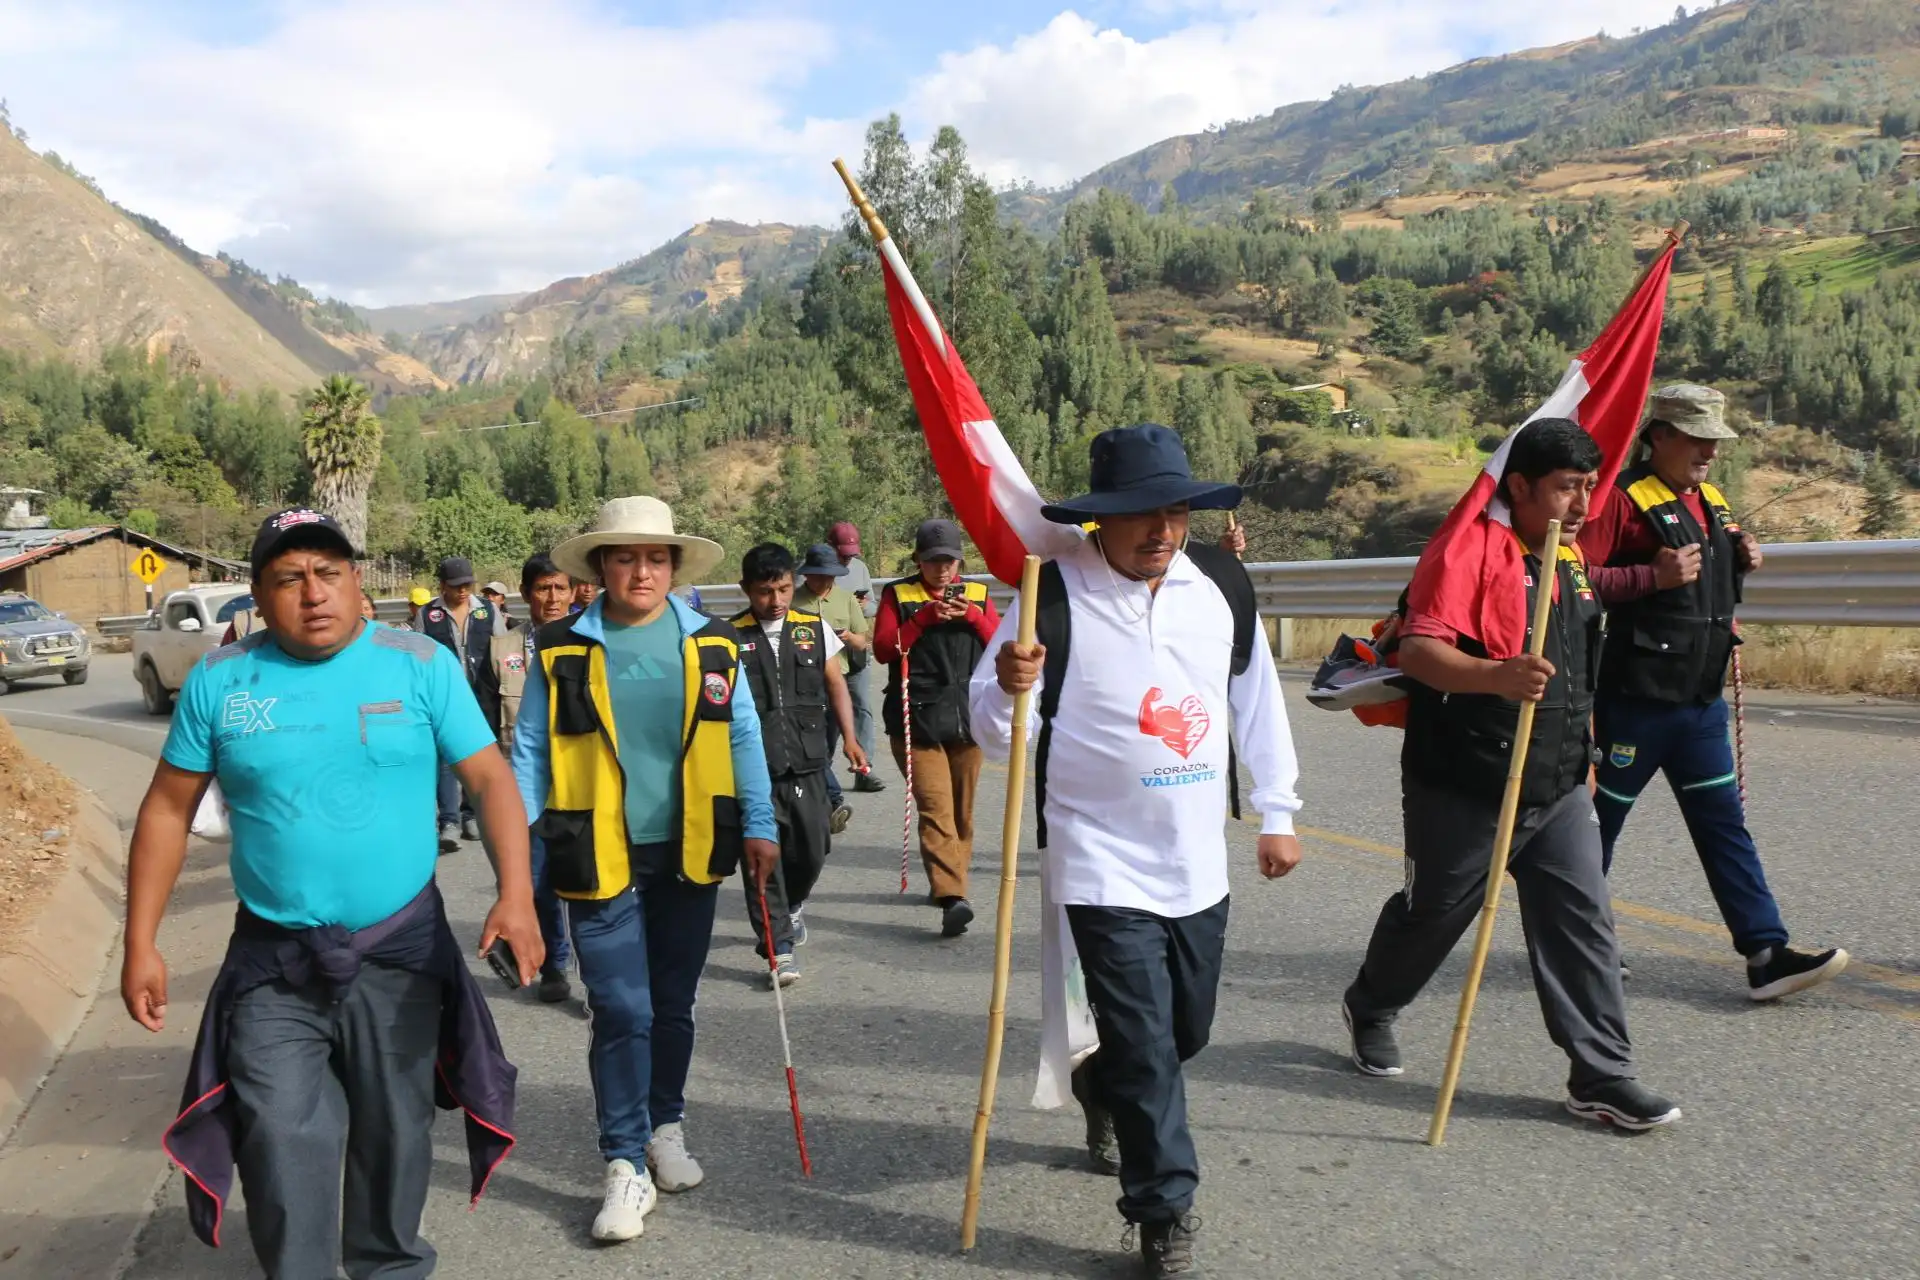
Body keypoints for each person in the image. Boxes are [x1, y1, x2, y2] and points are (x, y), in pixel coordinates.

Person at [123, 507, 542, 1279]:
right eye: (289, 578)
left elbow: (487, 778)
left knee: (396, 1132)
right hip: (274, 961)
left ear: (356, 582)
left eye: (329, 572)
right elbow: (166, 809)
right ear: (258, 593)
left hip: (401, 951)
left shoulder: (417, 663)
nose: (313, 592)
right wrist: (140, 942)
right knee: (281, 1136)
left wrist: (516, 894)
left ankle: (388, 1267)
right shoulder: (222, 681)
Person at [971, 423, 1304, 1278]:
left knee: (1184, 1030)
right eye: (1140, 515)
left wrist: (1277, 809)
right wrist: (1012, 688)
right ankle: (1164, 1212)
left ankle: (1102, 1085)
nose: (1161, 529)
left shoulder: (1219, 584)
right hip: (1098, 859)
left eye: (1175, 511)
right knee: (1150, 1040)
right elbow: (997, 734)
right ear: (1098, 521)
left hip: (1196, 860)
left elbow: (1256, 699)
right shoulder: (1050, 594)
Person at [1341, 418, 1681, 1131]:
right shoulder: (1465, 551)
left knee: (1583, 920)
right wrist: (1496, 675)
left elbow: (1577, 671)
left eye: (1589, 487)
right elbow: (1422, 653)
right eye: (1566, 488)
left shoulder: (1572, 559)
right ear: (1520, 486)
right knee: (1437, 913)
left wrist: (1583, 758)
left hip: (1556, 783)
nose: (1582, 503)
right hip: (1466, 778)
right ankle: (1372, 1003)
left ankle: (1603, 1074)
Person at [511, 495, 778, 1245]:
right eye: (624, 556)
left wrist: (758, 822)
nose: (641, 570)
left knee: (672, 1003)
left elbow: (744, 735)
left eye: (655, 557)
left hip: (692, 848)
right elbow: (531, 747)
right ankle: (623, 1161)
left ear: (674, 566)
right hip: (595, 849)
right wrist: (522, 844)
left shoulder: (715, 644)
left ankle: (666, 1124)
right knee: (621, 1007)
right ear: (599, 567)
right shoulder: (563, 647)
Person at [1579, 385, 1848, 999]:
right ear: (1659, 435)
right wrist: (1651, 575)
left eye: (1715, 440)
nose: (1708, 450)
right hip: (1633, 700)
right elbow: (1572, 578)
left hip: (1699, 704)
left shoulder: (1711, 499)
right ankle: (1581, 941)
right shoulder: (1621, 498)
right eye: (1696, 437)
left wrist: (1741, 557)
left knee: (1724, 824)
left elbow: (1707, 580)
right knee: (1597, 828)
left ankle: (1765, 954)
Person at [728, 543, 869, 987]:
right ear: (746, 589)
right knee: (761, 863)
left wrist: (850, 738)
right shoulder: (727, 636)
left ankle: (792, 906)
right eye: (766, 591)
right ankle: (779, 951)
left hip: (809, 758)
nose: (776, 600)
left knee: (813, 849)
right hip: (754, 767)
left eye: (784, 589)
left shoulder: (813, 627)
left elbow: (836, 684)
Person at [874, 518, 1000, 936]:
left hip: (968, 719)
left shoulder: (979, 595)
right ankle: (953, 896)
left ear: (960, 561)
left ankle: (949, 883)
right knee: (936, 808)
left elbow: (1002, 642)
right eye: (932, 562)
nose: (942, 570)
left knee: (962, 812)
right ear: (918, 560)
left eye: (949, 561)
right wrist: (923, 619)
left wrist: (976, 619)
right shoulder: (898, 594)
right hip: (917, 720)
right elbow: (883, 650)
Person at [477, 553, 578, 1005]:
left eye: (560, 588)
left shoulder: (593, 641)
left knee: (592, 882)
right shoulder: (501, 651)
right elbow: (481, 721)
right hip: (524, 789)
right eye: (543, 588)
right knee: (537, 880)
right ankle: (555, 964)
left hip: (584, 783)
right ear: (525, 593)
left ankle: (597, 970)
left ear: (574, 592)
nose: (552, 597)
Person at [420, 556, 501, 851]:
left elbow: (501, 652)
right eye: (456, 586)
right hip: (443, 697)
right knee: (444, 760)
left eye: (467, 584)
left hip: (483, 695)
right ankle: (449, 822)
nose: (463, 591)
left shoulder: (488, 611)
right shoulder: (428, 615)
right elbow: (420, 657)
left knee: (477, 755)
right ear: (442, 586)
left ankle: (472, 814)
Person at [794, 542, 872, 828]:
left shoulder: (847, 600)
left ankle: (820, 805)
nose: (822, 581)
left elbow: (864, 641)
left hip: (836, 684)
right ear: (806, 575)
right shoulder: (792, 600)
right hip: (803, 685)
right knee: (811, 748)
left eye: (828, 575)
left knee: (824, 750)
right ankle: (833, 800)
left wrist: (848, 636)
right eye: (816, 575)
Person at [828, 520, 885, 793]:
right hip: (827, 656)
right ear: (831, 548)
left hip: (856, 650)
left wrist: (864, 605)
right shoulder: (815, 571)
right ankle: (821, 775)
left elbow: (873, 606)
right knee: (828, 714)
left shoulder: (860, 569)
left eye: (852, 552)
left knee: (862, 709)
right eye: (843, 553)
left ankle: (864, 770)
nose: (848, 558)